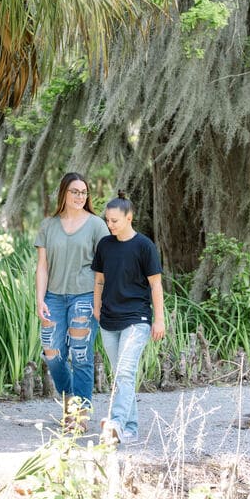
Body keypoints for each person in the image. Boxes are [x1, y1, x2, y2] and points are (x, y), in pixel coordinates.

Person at [34, 172, 109, 430]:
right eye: (75, 191)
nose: (80, 196)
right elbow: (42, 267)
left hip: (85, 295)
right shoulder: (48, 225)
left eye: (84, 192)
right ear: (63, 193)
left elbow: (104, 267)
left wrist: (100, 300)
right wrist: (39, 299)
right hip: (53, 297)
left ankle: (79, 415)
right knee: (52, 354)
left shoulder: (97, 225)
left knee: (80, 355)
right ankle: (71, 401)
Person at [92, 192, 165, 446]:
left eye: (114, 220)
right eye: (107, 221)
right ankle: (130, 429)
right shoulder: (105, 245)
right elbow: (99, 279)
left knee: (124, 371)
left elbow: (156, 285)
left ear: (129, 217)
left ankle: (116, 423)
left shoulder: (144, 246)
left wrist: (159, 319)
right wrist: (97, 308)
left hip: (137, 318)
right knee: (120, 376)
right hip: (109, 319)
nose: (110, 225)